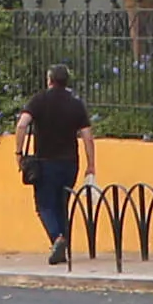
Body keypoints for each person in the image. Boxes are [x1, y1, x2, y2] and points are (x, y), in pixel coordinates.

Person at [16, 64, 90, 261]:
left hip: (46, 163)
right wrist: (91, 164)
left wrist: (19, 152)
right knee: (62, 205)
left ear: (49, 80)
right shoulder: (75, 103)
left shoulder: (39, 100)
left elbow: (22, 124)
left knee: (45, 206)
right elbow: (87, 135)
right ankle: (62, 246)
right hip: (70, 164)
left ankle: (57, 239)